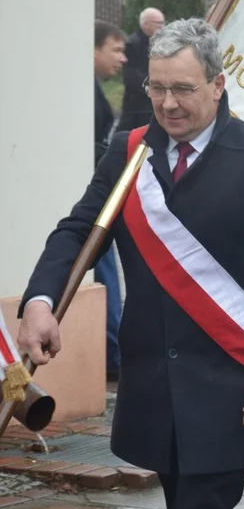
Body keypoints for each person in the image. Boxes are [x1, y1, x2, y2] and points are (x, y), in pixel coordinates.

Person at [18, 19, 244, 509]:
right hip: (154, 379)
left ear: (218, 84)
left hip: (229, 381)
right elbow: (77, 231)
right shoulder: (129, 153)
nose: (168, 104)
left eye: (183, 88)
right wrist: (40, 300)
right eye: (157, 88)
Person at [92, 20, 126, 381]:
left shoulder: (95, 89)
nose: (123, 58)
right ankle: (113, 353)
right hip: (96, 196)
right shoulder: (85, 92)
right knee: (104, 270)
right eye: (115, 49)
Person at [117, 7, 165, 132]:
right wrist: (155, 87)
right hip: (137, 106)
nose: (162, 27)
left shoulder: (161, 43)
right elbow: (130, 76)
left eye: (163, 23)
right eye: (158, 24)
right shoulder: (132, 44)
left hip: (154, 103)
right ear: (146, 24)